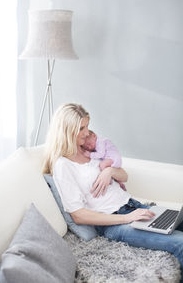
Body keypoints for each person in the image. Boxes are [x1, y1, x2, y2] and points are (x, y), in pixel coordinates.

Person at [43, 103, 183, 282]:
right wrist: (127, 218)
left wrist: (109, 171)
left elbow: (123, 175)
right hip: (115, 223)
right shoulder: (63, 165)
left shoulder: (89, 149)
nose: (87, 132)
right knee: (181, 244)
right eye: (81, 128)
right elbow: (78, 215)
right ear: (67, 131)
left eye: (87, 125)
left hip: (133, 205)